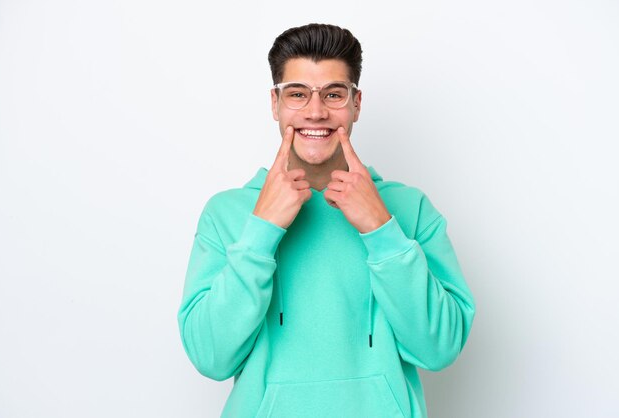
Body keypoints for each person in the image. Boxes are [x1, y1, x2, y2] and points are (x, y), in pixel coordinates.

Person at [178, 23, 475, 418]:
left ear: (356, 103)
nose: (316, 112)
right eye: (298, 94)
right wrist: (261, 232)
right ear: (275, 104)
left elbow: (440, 348)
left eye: (333, 94)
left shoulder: (408, 209)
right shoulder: (227, 214)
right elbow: (210, 357)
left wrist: (382, 231)